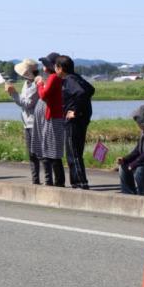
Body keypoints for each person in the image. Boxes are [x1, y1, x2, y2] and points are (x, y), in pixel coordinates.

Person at [59, 55, 94, 189]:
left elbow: (82, 92)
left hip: (73, 122)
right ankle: (79, 182)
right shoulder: (77, 77)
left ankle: (80, 182)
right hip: (81, 120)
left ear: (60, 68)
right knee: (76, 153)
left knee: (72, 153)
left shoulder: (69, 80)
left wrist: (75, 110)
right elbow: (91, 89)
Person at [36, 52, 68, 187]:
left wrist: (39, 84)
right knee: (52, 150)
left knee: (53, 151)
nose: (42, 66)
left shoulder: (53, 78)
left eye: (44, 64)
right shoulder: (54, 78)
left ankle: (59, 182)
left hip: (53, 117)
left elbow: (43, 95)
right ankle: (57, 181)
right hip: (54, 116)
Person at [8, 58, 42, 184]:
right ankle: (35, 179)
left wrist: (14, 94)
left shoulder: (35, 85)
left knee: (38, 153)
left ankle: (47, 179)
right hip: (27, 122)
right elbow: (23, 102)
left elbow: (27, 103)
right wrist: (14, 94)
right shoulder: (27, 83)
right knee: (31, 154)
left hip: (34, 123)